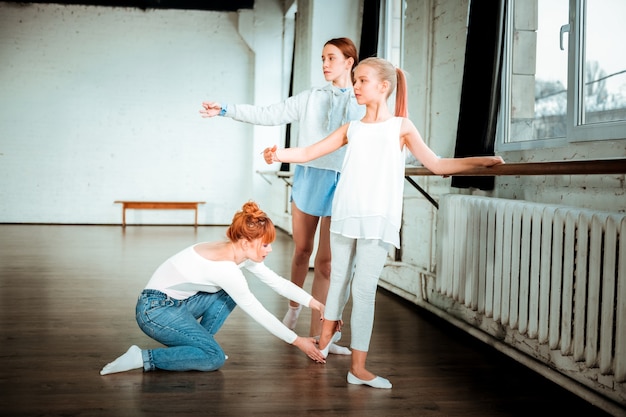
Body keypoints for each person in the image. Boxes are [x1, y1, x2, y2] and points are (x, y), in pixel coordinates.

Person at [262, 57, 505, 389]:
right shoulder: (353, 128)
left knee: (363, 290)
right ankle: (321, 345)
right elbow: (309, 153)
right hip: (346, 212)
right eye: (356, 81)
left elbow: (436, 164)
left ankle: (358, 368)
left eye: (362, 81)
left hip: (378, 218)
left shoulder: (401, 127)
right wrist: (278, 155)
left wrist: (481, 161)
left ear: (384, 86)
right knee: (337, 283)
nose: (356, 87)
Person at [199, 37, 364, 355]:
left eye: (331, 58)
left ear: (349, 61)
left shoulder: (361, 102)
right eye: (322, 58)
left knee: (326, 263)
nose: (325, 64)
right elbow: (268, 113)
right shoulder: (310, 97)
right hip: (307, 178)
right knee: (303, 250)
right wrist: (225, 109)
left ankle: (319, 336)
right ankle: (293, 307)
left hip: (342, 182)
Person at [100, 201, 327, 375]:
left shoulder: (236, 251)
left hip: (176, 304)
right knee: (214, 359)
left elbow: (276, 281)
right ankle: (141, 357)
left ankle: (200, 348)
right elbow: (258, 311)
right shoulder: (226, 269)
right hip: (154, 312)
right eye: (265, 245)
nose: (269, 250)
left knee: (226, 296)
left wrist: (316, 304)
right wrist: (298, 341)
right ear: (246, 242)